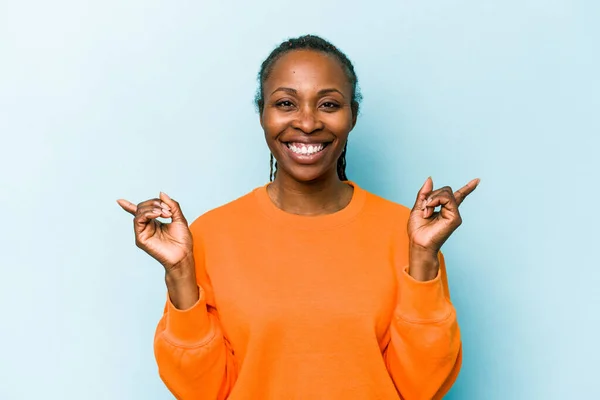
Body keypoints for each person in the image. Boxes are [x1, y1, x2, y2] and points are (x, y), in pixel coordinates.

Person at [117, 34, 479, 400]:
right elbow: (203, 391)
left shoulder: (406, 233)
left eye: (328, 104)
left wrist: (422, 258)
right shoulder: (212, 234)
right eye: (286, 103)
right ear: (262, 113)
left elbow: (421, 387)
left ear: (352, 115)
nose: (307, 123)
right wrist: (179, 272)